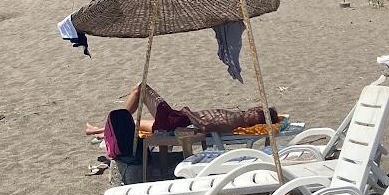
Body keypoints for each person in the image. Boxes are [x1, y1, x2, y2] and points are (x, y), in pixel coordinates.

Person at [84, 83, 278, 140]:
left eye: (258, 113)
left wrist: (188, 111)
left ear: (258, 122)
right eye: (257, 108)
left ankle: (116, 123)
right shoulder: (238, 116)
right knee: (135, 125)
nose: (255, 110)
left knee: (141, 88)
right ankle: (98, 131)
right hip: (177, 121)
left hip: (177, 121)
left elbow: (205, 126)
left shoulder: (236, 122)